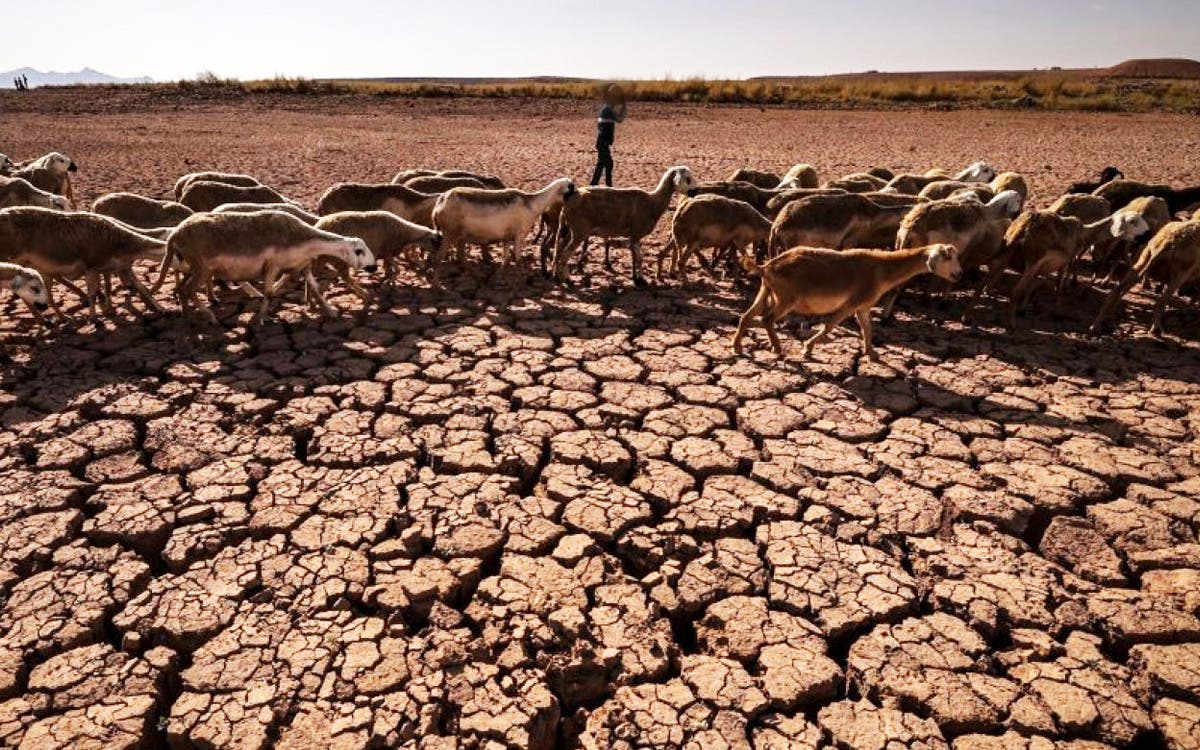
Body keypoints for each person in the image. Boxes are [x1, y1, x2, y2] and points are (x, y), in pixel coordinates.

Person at [591, 84, 627, 187]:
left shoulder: (606, 108)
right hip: (603, 143)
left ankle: (594, 185)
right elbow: (619, 119)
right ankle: (608, 186)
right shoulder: (608, 109)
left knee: (601, 164)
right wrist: (624, 108)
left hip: (602, 142)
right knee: (608, 164)